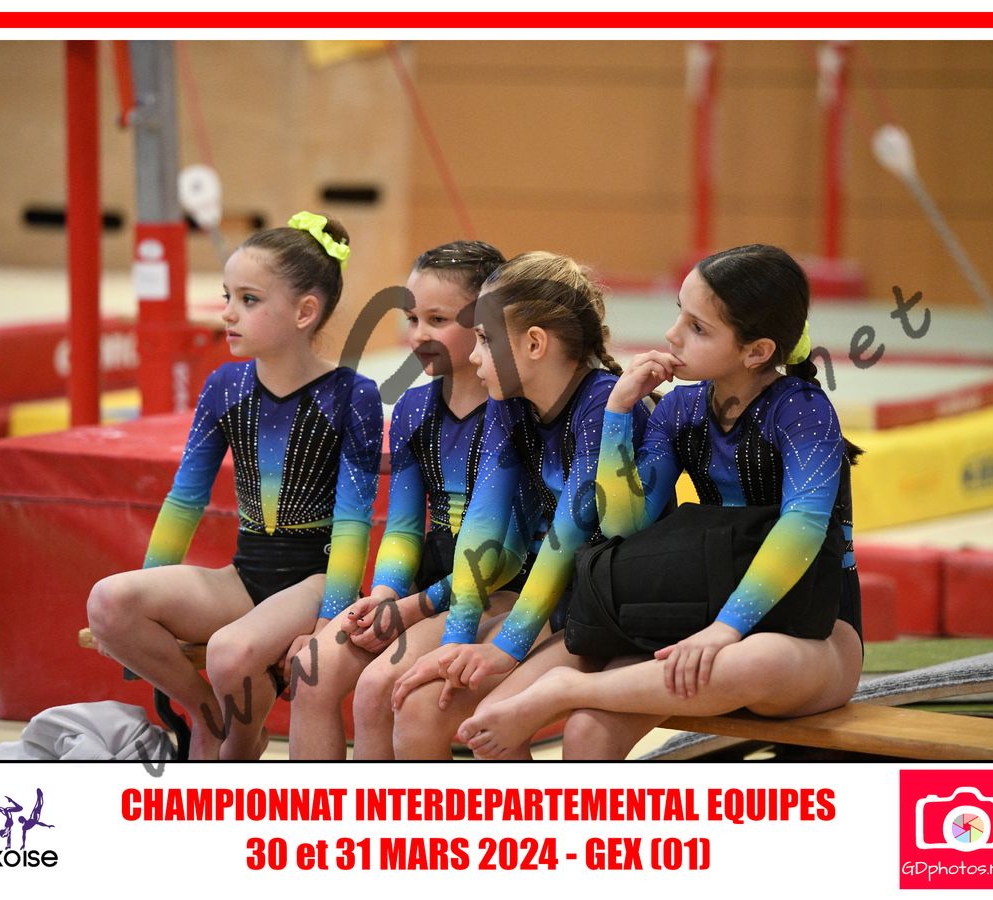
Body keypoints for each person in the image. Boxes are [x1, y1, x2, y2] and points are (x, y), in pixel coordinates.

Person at [455, 243, 865, 759]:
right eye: (679, 314)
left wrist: (726, 629)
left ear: (757, 351)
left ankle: (568, 690)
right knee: (588, 732)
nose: (672, 335)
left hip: (810, 629)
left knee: (759, 660)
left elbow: (801, 526)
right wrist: (618, 413)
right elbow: (624, 524)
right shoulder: (680, 410)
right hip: (701, 614)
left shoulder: (803, 411)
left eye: (698, 327)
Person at [86, 212, 382, 761]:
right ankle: (207, 716)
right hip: (244, 578)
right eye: (227, 296)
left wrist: (328, 620)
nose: (227, 313)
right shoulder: (225, 386)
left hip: (314, 581)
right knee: (109, 602)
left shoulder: (351, 394)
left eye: (248, 299)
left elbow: (353, 520)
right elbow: (185, 500)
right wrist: (144, 602)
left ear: (304, 312)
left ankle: (237, 751)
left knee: (227, 650)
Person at [388, 251, 650, 759]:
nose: (473, 357)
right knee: (425, 707)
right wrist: (457, 639)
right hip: (555, 600)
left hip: (615, 608)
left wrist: (505, 649)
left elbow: (568, 536)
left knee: (489, 722)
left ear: (534, 344)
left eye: (485, 340)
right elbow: (483, 520)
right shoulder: (510, 405)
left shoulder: (602, 405)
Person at [287, 240, 514, 760]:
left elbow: (505, 550)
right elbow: (405, 526)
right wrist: (387, 594)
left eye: (437, 319)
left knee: (377, 691)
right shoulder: (414, 407)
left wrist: (412, 607)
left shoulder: (515, 410)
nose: (418, 335)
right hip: (429, 581)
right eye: (412, 319)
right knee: (311, 673)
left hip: (498, 588)